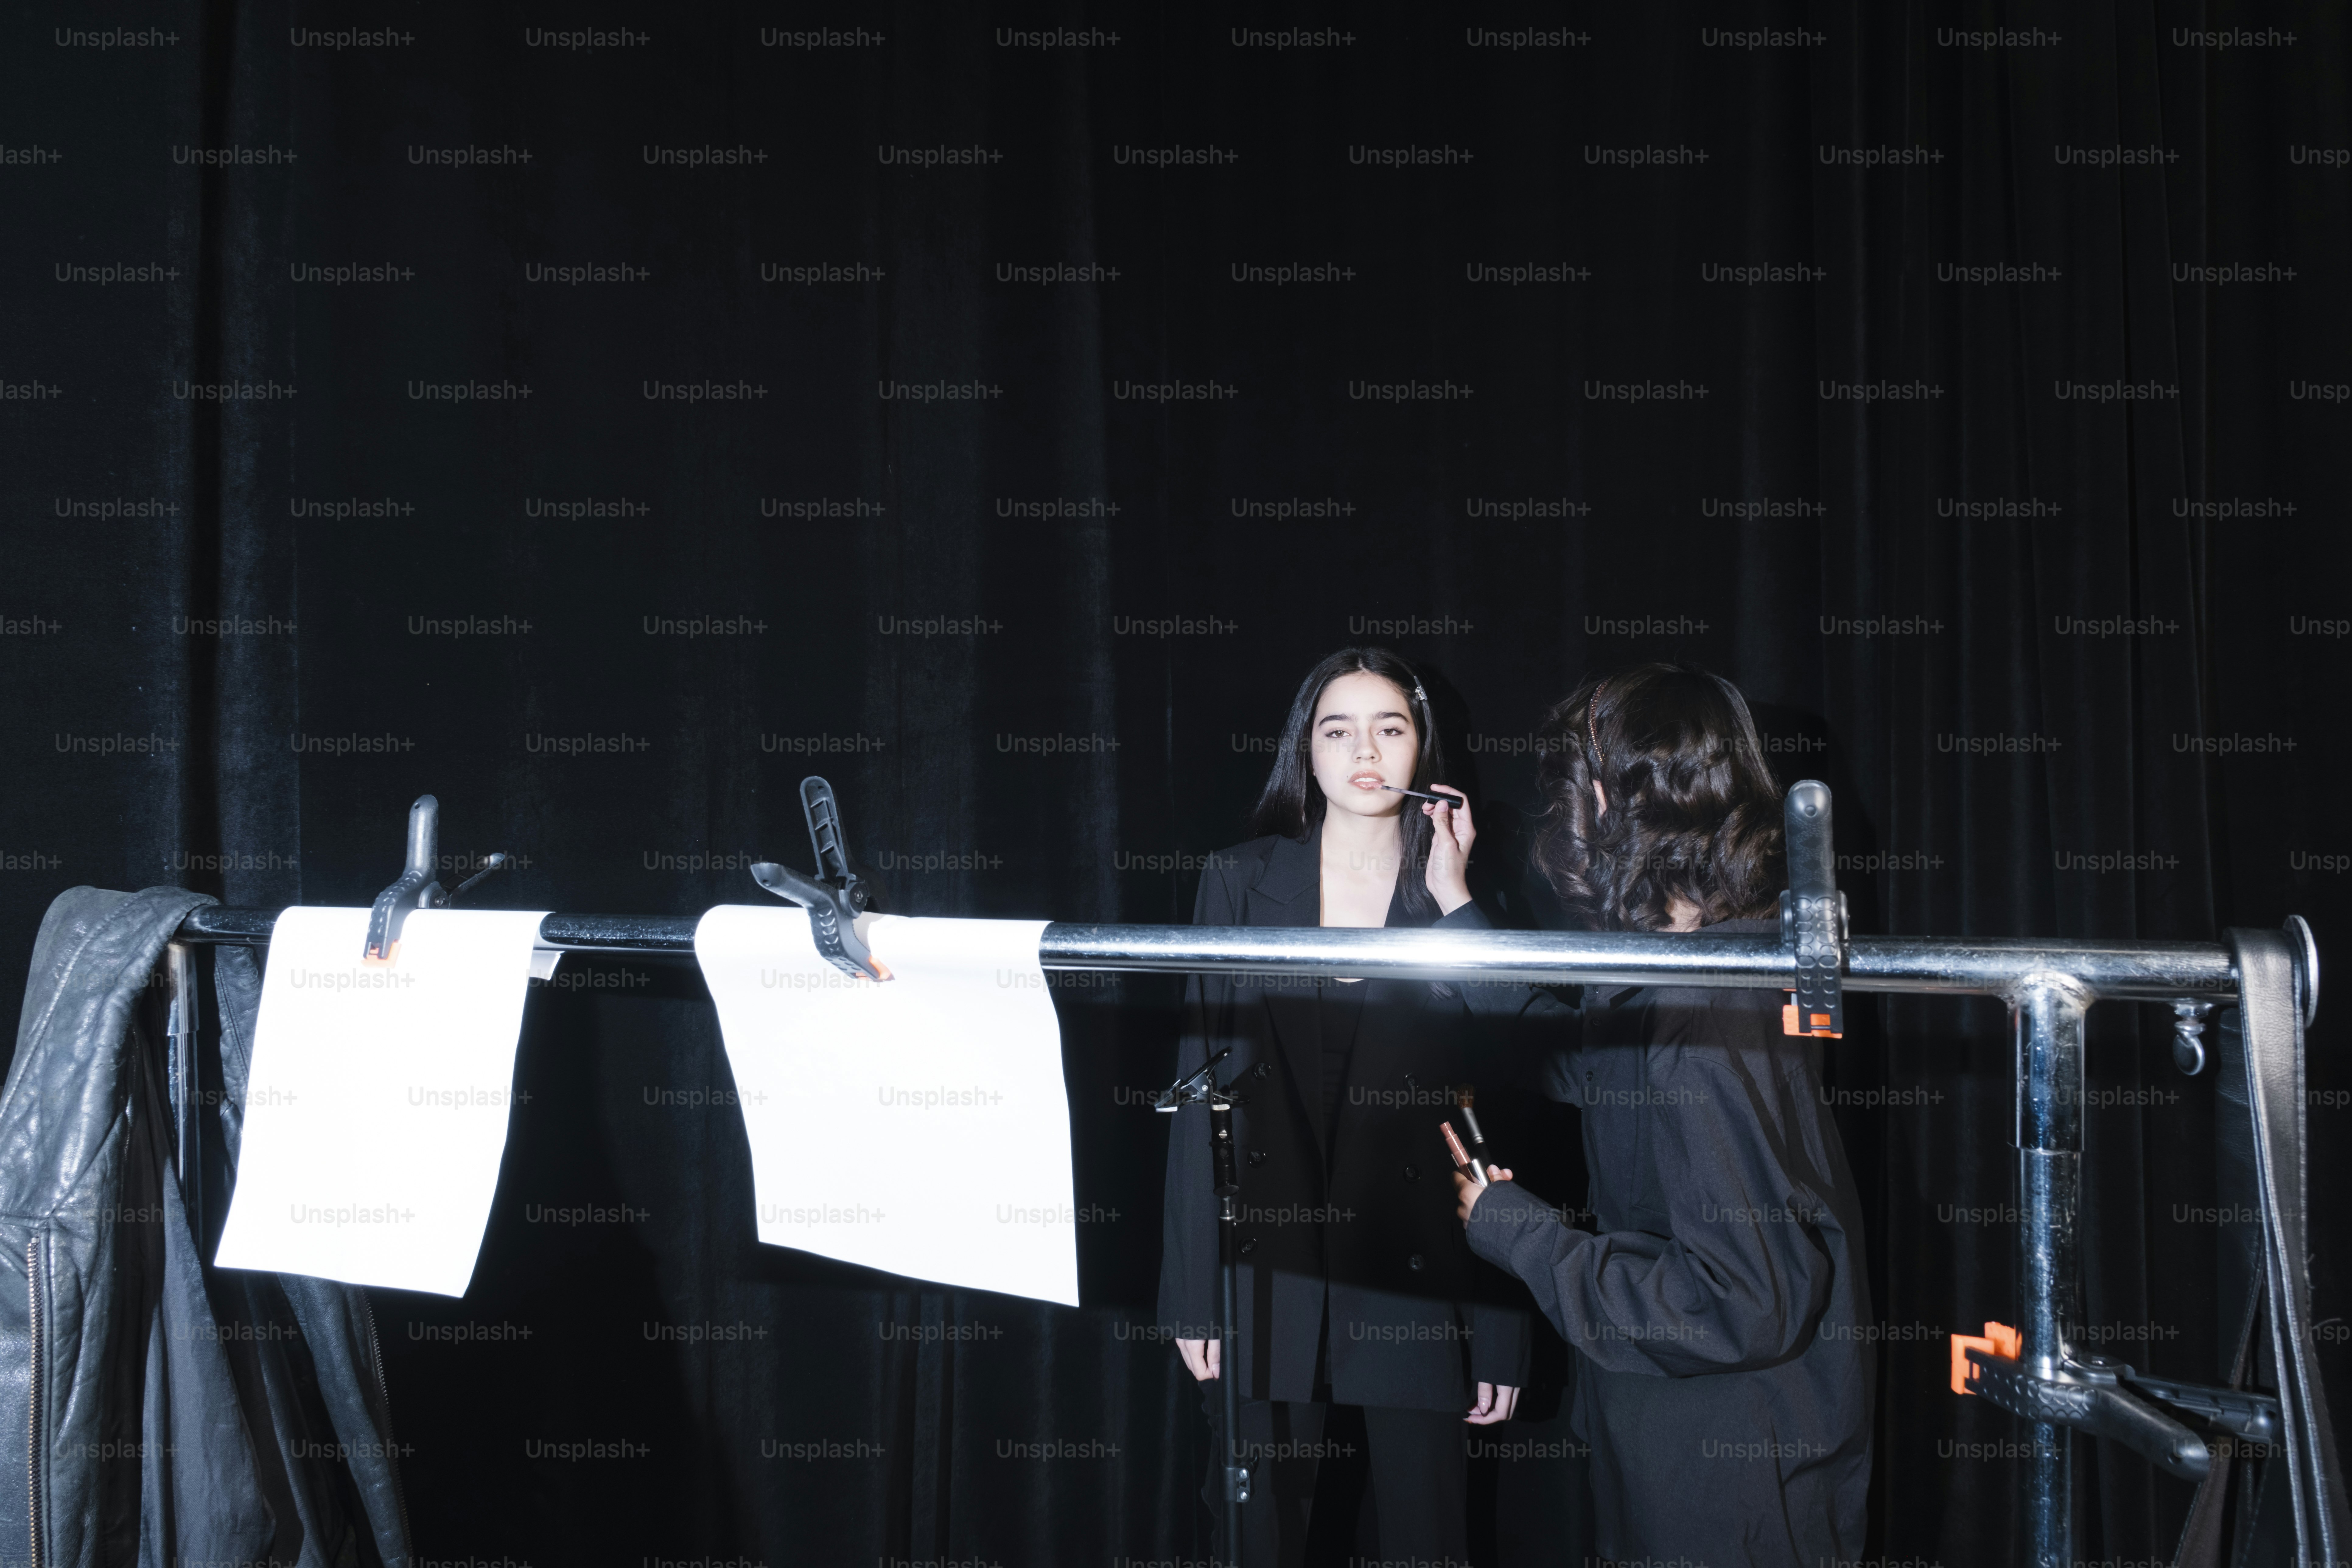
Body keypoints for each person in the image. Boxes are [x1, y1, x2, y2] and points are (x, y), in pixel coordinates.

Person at [1439, 663, 1874, 1566]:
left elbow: (1742, 1306)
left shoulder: (1703, 1012)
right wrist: (1456, 916)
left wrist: (1519, 1235)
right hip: (1701, 1453)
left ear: (1616, 795)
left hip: (1730, 1490)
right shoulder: (1718, 964)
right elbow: (1592, 1069)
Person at [1157, 646, 1529, 1567]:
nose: (1365, 748)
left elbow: (1509, 1115)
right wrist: (1193, 1294)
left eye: (1390, 727)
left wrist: (1501, 1329)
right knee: (1258, 1536)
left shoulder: (1464, 897)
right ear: (1307, 752)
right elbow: (1204, 1092)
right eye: (1338, 728)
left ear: (1421, 749)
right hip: (1265, 1270)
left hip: (1420, 1273)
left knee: (1428, 1537)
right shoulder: (1239, 883)